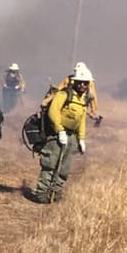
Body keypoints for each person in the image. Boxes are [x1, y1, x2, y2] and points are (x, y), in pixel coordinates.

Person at [32, 62, 93, 203]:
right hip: (57, 135)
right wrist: (60, 131)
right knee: (50, 164)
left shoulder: (82, 99)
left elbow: (81, 119)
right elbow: (53, 112)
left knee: (64, 167)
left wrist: (81, 139)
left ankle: (56, 193)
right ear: (75, 82)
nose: (83, 86)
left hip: (71, 136)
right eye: (80, 83)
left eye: (86, 83)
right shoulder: (64, 94)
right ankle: (41, 193)